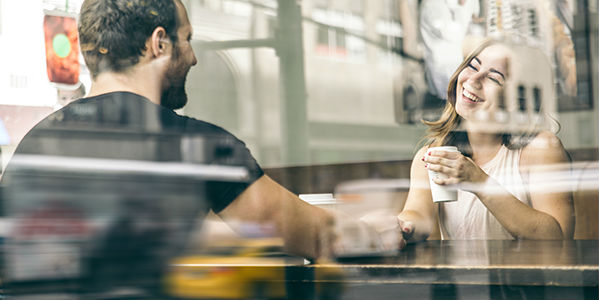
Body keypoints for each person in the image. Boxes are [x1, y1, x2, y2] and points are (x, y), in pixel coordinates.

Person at [0, 0, 400, 297]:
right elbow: (318, 237)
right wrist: (377, 231)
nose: (193, 57)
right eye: (187, 39)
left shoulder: (33, 146)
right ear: (159, 44)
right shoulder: (194, 147)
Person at [396, 39, 574, 244]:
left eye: (494, 78)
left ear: (519, 99)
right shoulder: (431, 156)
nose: (473, 79)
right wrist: (401, 226)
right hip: (461, 277)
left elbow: (558, 239)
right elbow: (417, 216)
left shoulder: (541, 149)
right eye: (473, 65)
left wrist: (478, 181)